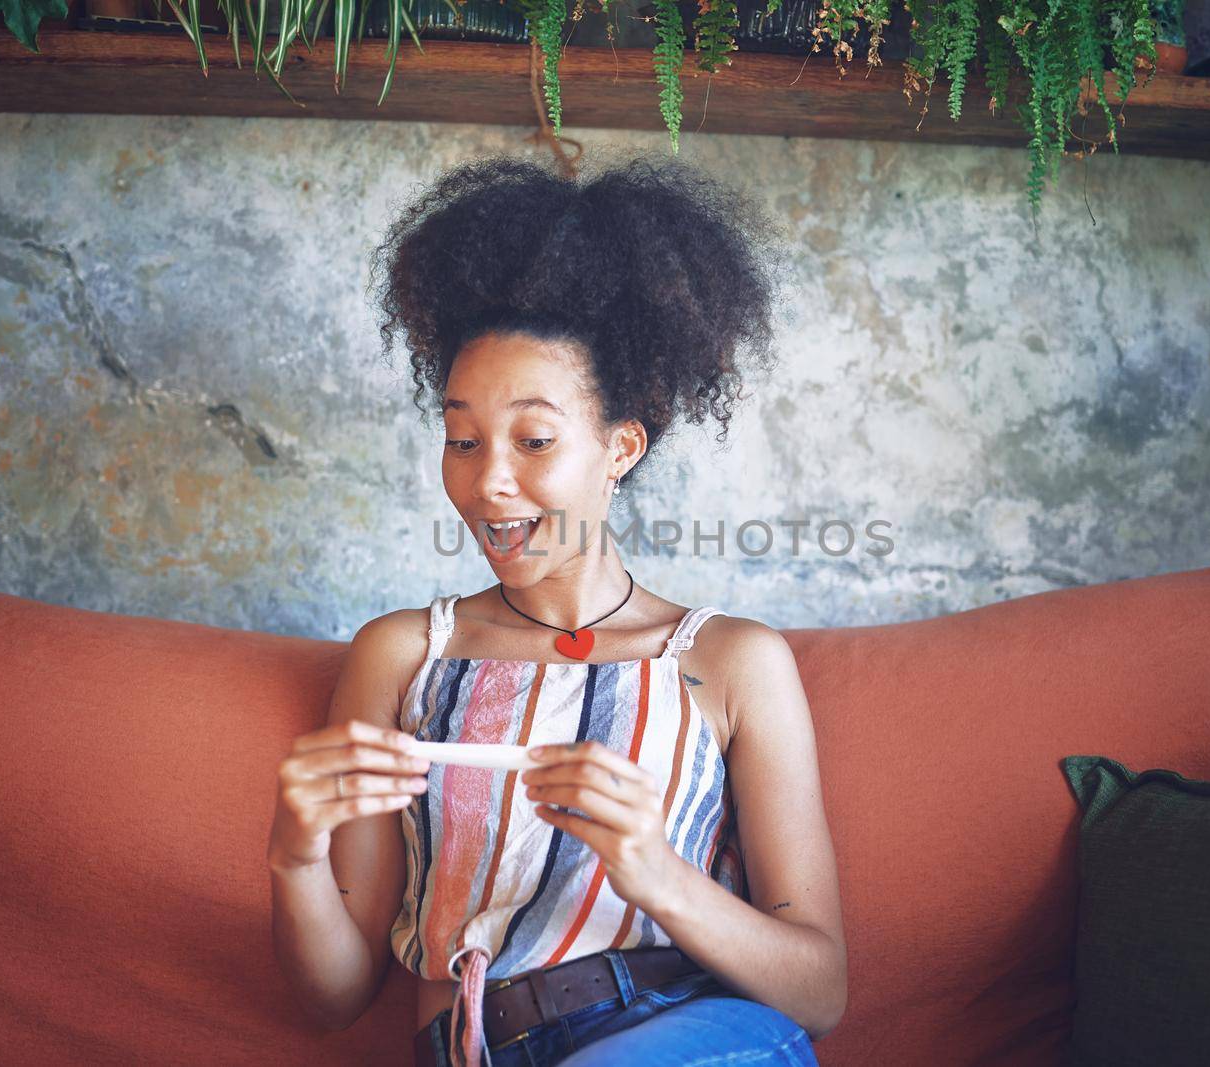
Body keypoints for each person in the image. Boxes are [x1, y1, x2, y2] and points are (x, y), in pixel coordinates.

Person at [267, 149, 845, 1066]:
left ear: (620, 448)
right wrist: (294, 857)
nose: (489, 482)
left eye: (534, 439)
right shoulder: (402, 654)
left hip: (687, 1033)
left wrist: (655, 872)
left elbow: (820, 992)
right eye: (462, 438)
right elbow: (334, 1000)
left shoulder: (733, 662)